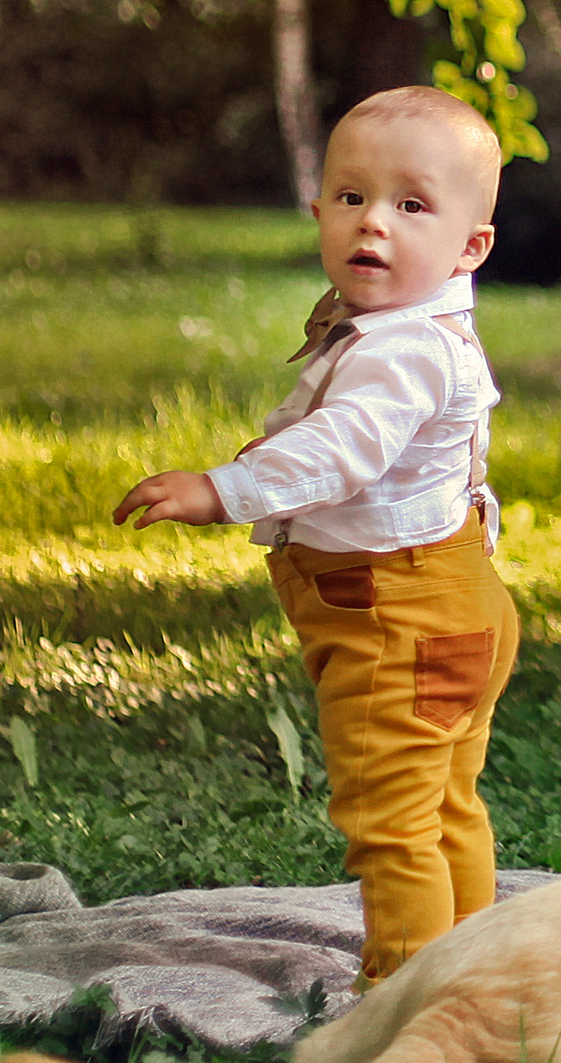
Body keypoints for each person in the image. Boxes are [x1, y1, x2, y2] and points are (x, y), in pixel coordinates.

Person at [115, 85, 520, 987]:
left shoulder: (402, 348)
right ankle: (472, 969)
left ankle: (400, 997)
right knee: (445, 805)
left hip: (397, 617)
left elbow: (346, 449)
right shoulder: (418, 326)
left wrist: (224, 488)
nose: (373, 223)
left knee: (393, 821)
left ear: (470, 244)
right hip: (451, 602)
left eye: (411, 205)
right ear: (319, 210)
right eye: (351, 197)